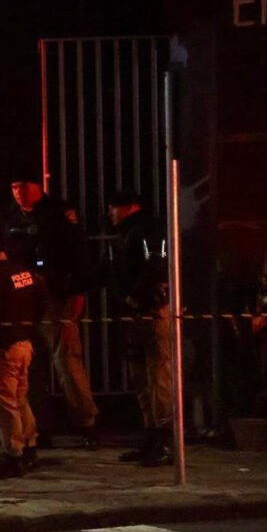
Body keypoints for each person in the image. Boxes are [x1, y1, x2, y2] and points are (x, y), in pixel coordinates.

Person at [0, 171, 98, 445]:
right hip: (21, 300)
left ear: (37, 186)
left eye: (23, 186)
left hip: (56, 297)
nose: (18, 192)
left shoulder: (59, 215)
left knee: (67, 359)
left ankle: (87, 423)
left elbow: (79, 256)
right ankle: (37, 427)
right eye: (14, 186)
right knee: (29, 366)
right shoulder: (6, 220)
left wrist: (77, 292)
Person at [107, 190, 173, 467]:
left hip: (151, 310)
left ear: (129, 207)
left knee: (158, 375)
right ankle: (151, 434)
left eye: (114, 207)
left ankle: (166, 440)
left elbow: (155, 265)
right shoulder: (125, 233)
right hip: (134, 313)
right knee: (142, 378)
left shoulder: (148, 230)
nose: (110, 213)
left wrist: (136, 295)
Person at [0, 257, 48, 479]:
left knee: (4, 403)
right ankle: (29, 447)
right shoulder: (23, 271)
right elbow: (41, 299)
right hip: (24, 343)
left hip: (3, 347)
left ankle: (13, 455)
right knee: (19, 399)